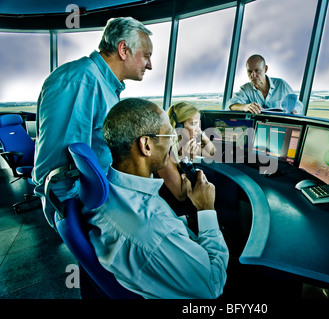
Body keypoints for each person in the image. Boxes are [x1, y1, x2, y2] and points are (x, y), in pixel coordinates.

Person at [83, 97, 229, 299]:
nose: (173, 140)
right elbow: (212, 286)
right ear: (146, 145)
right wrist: (206, 210)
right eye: (169, 134)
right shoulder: (157, 231)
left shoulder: (112, 191)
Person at [32, 17, 153, 229]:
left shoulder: (103, 85)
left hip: (100, 198)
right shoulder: (79, 81)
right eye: (147, 56)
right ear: (123, 49)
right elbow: (58, 173)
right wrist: (78, 220)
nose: (149, 65)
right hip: (89, 209)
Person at [156, 102, 215, 202]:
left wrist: (200, 133)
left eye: (198, 123)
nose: (198, 128)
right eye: (193, 124)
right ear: (178, 127)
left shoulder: (186, 144)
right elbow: (181, 196)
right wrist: (187, 161)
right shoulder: (165, 155)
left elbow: (211, 152)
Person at [227, 54, 300, 114]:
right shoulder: (246, 89)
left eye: (257, 70)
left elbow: (298, 105)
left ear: (265, 69)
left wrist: (295, 111)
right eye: (249, 71)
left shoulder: (281, 85)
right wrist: (245, 107)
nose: (253, 75)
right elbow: (230, 104)